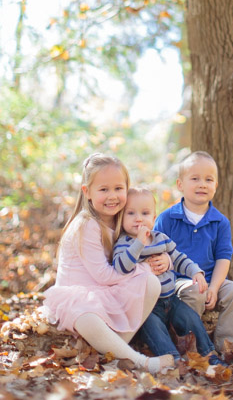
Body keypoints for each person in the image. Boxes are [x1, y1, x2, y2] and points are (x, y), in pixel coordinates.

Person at [42, 153, 173, 373]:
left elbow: (149, 244)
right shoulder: (86, 225)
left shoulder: (122, 218)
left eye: (118, 189)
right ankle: (140, 361)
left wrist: (165, 259)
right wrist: (144, 267)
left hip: (106, 291)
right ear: (87, 192)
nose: (112, 196)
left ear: (127, 188)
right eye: (104, 190)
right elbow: (104, 275)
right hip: (80, 293)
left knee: (151, 283)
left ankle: (113, 352)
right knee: (86, 315)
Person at [113, 186, 225, 365]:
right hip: (146, 306)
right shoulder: (124, 243)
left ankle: (209, 354)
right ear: (121, 217)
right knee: (153, 329)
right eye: (131, 213)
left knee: (192, 320)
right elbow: (120, 267)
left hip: (170, 299)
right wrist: (138, 244)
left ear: (154, 218)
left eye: (145, 213)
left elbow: (179, 258)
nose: (138, 218)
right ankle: (173, 360)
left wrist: (195, 271)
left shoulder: (160, 238)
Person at [154, 151, 233, 354]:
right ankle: (192, 348)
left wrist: (214, 287)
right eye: (195, 179)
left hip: (211, 278)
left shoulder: (220, 222)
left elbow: (223, 257)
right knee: (195, 290)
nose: (202, 184)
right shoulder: (167, 218)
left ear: (216, 185)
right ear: (180, 185)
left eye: (208, 179)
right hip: (179, 281)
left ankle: (226, 349)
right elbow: (156, 252)